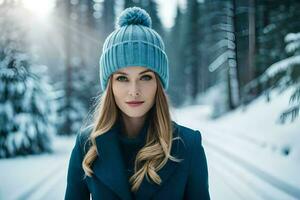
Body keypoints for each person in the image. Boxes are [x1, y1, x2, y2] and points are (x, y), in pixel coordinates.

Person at [65, 6, 210, 200]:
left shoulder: (188, 145)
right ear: (110, 85)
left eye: (145, 77)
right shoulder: (87, 145)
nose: (134, 90)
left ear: (159, 83)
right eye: (122, 78)